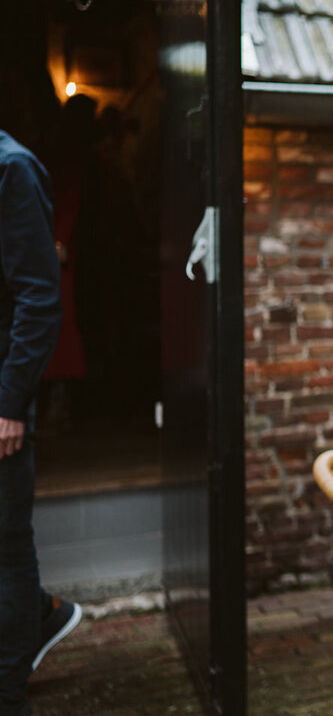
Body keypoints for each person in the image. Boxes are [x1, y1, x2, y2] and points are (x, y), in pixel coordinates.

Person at [0, 85, 82, 715]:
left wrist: (9, 403)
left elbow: (38, 298)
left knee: (5, 550)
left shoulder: (13, 169)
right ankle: (47, 615)